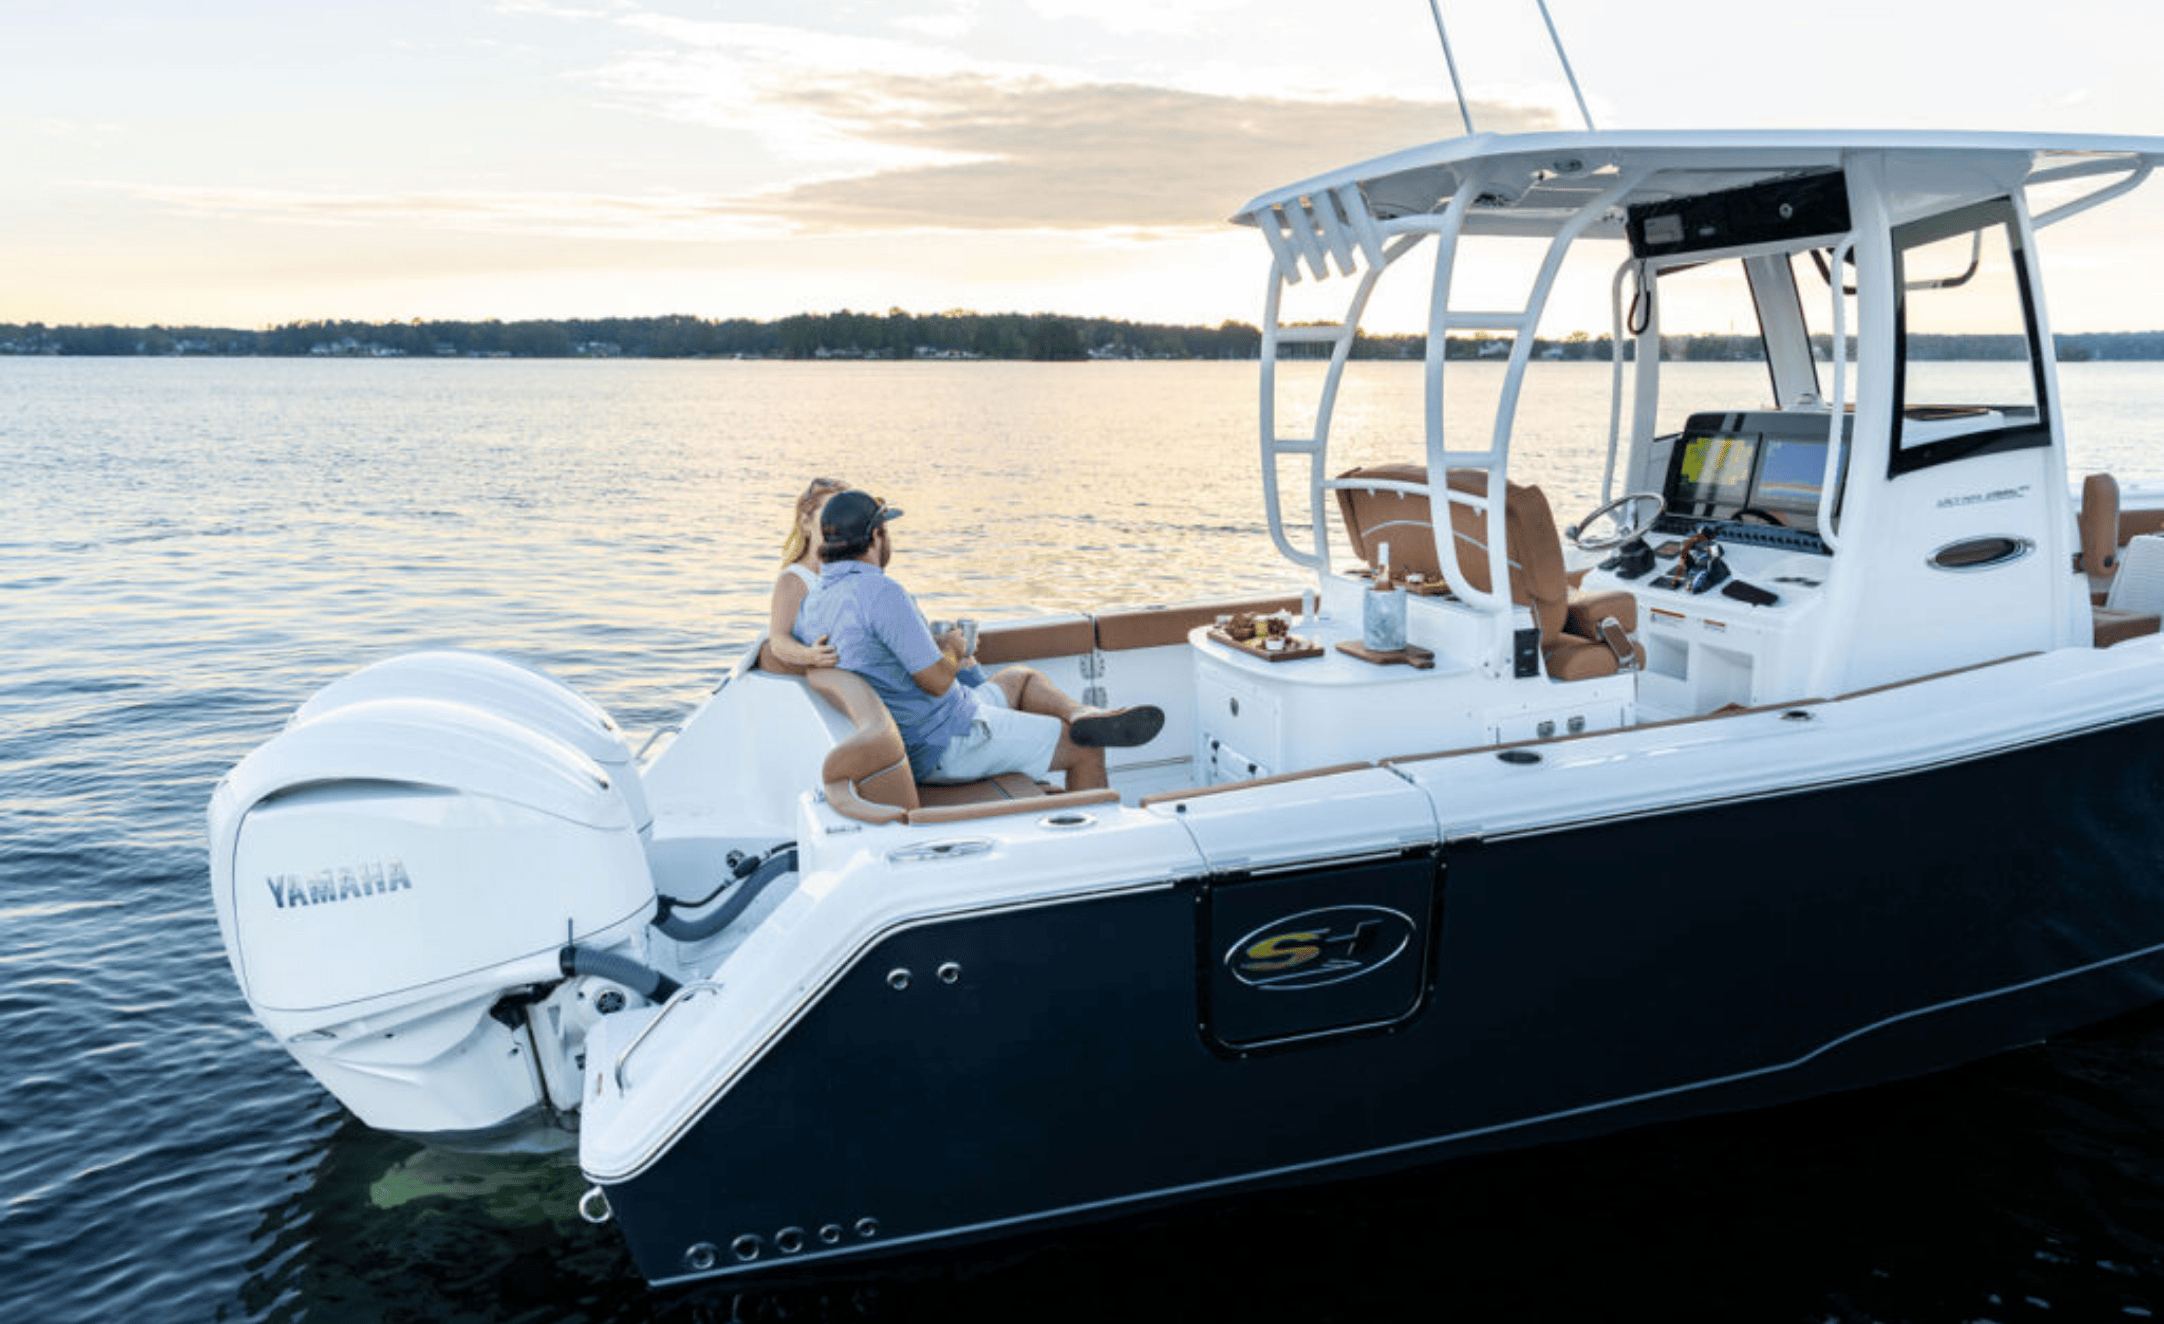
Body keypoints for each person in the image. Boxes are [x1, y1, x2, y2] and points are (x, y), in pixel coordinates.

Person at [793, 489, 1162, 793]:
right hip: (945, 742)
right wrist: (952, 649)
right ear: (876, 536)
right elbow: (937, 682)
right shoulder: (882, 593)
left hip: (931, 724)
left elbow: (875, 654)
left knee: (1021, 679)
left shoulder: (814, 603)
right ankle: (1090, 847)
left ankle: (1083, 713)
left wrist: (936, 647)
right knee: (1084, 747)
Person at [762, 476, 848, 672]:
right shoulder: (795, 578)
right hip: (811, 666)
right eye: (831, 515)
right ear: (807, 522)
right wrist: (810, 655)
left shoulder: (844, 573)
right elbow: (779, 639)